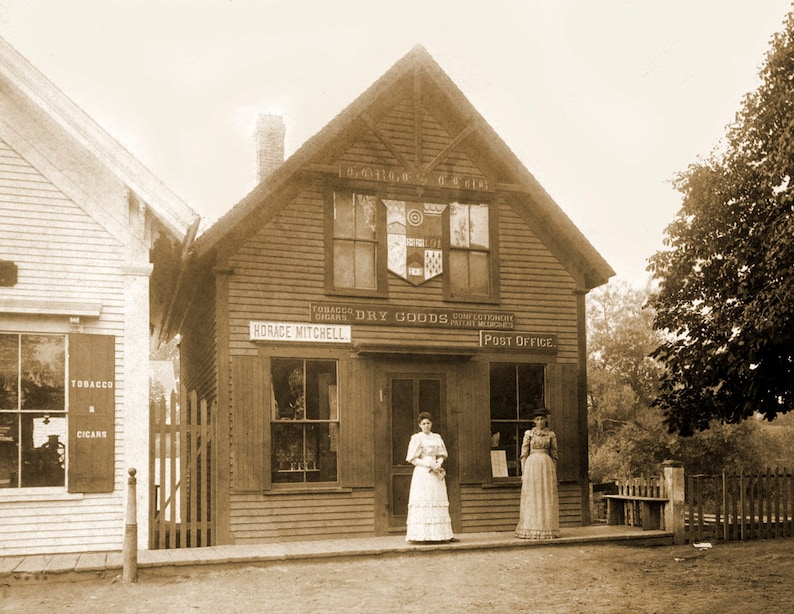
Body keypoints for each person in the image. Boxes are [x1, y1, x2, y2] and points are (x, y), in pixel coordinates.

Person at [405, 412, 457, 543]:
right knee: (424, 500)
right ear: (419, 425)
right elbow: (413, 459)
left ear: (431, 424)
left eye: (428, 423)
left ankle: (441, 535)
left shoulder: (436, 437)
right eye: (423, 424)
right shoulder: (417, 438)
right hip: (423, 473)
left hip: (435, 472)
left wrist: (438, 463)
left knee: (437, 499)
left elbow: (441, 454)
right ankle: (421, 536)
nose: (426, 426)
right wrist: (428, 464)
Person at [515, 407, 560, 539]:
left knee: (546, 496)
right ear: (534, 421)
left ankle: (547, 528)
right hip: (532, 467)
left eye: (542, 419)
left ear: (546, 420)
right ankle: (530, 528)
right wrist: (524, 473)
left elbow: (554, 455)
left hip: (547, 467)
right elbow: (523, 455)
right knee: (532, 496)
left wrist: (553, 471)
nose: (540, 421)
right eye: (537, 419)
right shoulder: (529, 434)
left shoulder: (551, 435)